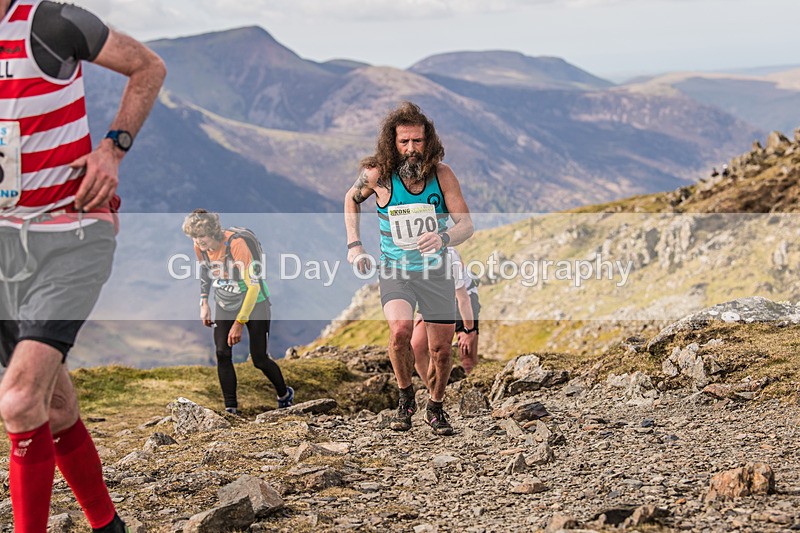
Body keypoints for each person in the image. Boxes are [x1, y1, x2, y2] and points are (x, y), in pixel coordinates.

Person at [0, 1, 166, 531]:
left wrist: (112, 150)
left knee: (21, 400)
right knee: (53, 406)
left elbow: (149, 66)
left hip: (73, 233)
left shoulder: (48, 22)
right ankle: (107, 525)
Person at [344, 101, 474, 436]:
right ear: (393, 143)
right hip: (395, 270)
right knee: (400, 331)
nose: (412, 150)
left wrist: (443, 237)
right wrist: (354, 244)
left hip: (436, 272)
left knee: (440, 351)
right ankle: (405, 399)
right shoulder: (377, 175)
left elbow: (466, 225)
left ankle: (436, 405)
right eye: (405, 142)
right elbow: (350, 199)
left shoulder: (442, 176)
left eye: (418, 141)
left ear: (427, 141)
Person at [182, 209, 294, 415]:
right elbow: (205, 272)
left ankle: (284, 394)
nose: (198, 241)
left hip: (255, 303)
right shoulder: (200, 247)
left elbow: (253, 287)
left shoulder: (236, 245)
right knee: (222, 353)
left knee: (259, 358)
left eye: (201, 236)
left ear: (213, 231)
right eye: (195, 237)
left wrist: (239, 323)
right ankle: (230, 408)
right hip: (225, 303)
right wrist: (204, 302)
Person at [411, 247, 480, 383]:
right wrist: (420, 312)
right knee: (416, 347)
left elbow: (463, 300)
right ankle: (434, 390)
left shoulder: (450, 257)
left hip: (463, 297)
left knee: (467, 355)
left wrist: (469, 330)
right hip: (436, 299)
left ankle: (475, 389)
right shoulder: (410, 258)